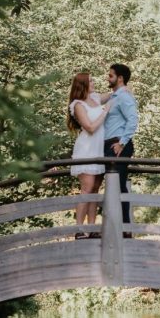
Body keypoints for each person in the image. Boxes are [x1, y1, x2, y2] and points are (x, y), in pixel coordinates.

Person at [67, 72, 111, 238]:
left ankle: (92, 228)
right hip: (87, 149)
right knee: (86, 189)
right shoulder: (78, 105)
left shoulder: (95, 98)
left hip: (100, 149)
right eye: (90, 80)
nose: (94, 82)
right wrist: (105, 112)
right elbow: (90, 127)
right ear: (83, 84)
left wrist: (125, 85)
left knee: (95, 189)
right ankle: (78, 230)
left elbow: (113, 94)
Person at [103, 63, 139, 230]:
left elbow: (133, 120)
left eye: (110, 75)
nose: (107, 78)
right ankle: (114, 226)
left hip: (118, 145)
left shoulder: (124, 97)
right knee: (112, 186)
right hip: (109, 145)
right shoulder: (115, 96)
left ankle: (124, 228)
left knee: (119, 185)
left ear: (120, 78)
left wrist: (122, 143)